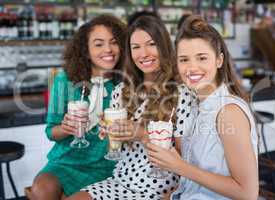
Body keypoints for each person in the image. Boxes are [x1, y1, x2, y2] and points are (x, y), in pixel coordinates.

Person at [66, 15, 194, 200]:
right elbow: (116, 148)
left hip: (158, 189)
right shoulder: (121, 91)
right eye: (136, 47)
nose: (143, 54)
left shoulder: (182, 93)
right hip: (120, 181)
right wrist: (108, 132)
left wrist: (142, 134)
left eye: (151, 44)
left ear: (164, 46)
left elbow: (186, 159)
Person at [146, 15, 259, 200]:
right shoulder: (196, 105)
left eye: (202, 58)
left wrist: (180, 167)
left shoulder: (228, 112)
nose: (191, 67)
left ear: (219, 60)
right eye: (184, 60)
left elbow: (248, 193)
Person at [30, 14, 126, 200]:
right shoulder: (65, 80)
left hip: (110, 165)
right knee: (42, 189)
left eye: (114, 42)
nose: (108, 49)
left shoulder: (125, 82)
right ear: (86, 50)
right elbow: (51, 131)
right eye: (98, 44)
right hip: (67, 162)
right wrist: (65, 128)